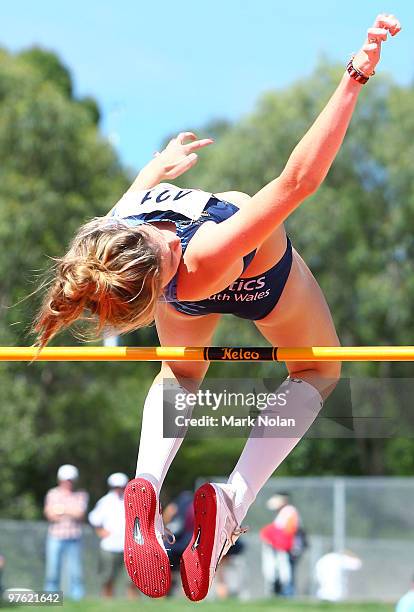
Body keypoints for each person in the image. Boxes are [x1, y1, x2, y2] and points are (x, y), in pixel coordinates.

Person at [30, 13, 401, 602]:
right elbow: (298, 181)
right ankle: (231, 502)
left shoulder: (107, 241)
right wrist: (354, 76)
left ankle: (148, 480)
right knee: (316, 371)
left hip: (182, 292)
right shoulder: (195, 251)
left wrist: (157, 165)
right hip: (258, 276)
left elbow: (130, 200)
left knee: (180, 368)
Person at [88, 472, 137, 599]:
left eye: (121, 486)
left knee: (133, 578)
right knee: (108, 577)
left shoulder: (131, 500)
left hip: (129, 546)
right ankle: (108, 603)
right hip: (110, 546)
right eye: (116, 487)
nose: (118, 489)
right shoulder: (105, 501)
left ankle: (133, 604)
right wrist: (100, 531)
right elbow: (94, 519)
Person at [43, 464, 88, 600]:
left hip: (74, 537)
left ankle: (77, 597)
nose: (68, 483)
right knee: (52, 570)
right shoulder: (52, 493)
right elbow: (50, 514)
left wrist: (60, 509)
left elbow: (80, 513)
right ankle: (51, 597)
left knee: (75, 571)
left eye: (70, 480)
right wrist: (69, 510)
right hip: (55, 536)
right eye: (65, 480)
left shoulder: (81, 494)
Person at [260, 492, 303, 596]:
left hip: (288, 547)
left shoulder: (289, 511)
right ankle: (281, 594)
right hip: (282, 547)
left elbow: (289, 530)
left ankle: (288, 594)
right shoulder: (283, 512)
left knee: (287, 572)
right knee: (281, 571)